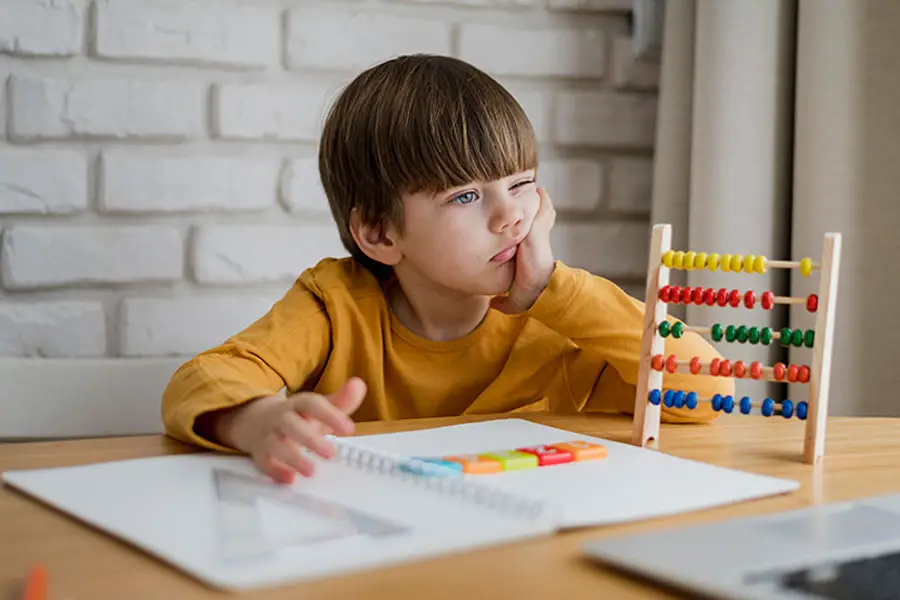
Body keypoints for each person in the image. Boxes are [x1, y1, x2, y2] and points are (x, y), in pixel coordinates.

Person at [161, 54, 734, 483]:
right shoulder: (334, 305)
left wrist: (554, 291)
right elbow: (203, 378)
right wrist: (256, 420)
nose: (511, 216)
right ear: (380, 234)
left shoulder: (560, 317)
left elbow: (708, 389)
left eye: (522, 184)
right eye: (464, 197)